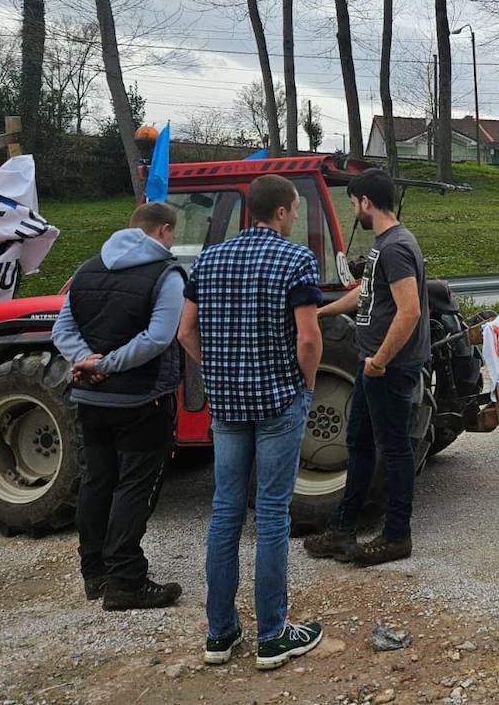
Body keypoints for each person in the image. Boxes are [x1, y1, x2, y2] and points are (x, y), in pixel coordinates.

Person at [177, 174, 324, 671]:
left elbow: (185, 330)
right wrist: (304, 386)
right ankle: (271, 634)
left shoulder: (209, 258)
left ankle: (219, 635)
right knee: (272, 515)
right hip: (279, 401)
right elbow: (308, 339)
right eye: (296, 209)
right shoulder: (295, 259)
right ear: (281, 211)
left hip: (227, 406)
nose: (297, 217)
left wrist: (215, 372)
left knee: (224, 513)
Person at [51, 202, 185, 611]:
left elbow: (62, 329)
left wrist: (87, 364)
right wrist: (106, 364)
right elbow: (159, 338)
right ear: (163, 230)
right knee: (134, 486)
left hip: (91, 398)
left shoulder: (88, 269)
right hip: (142, 399)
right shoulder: (167, 275)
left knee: (97, 482)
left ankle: (95, 574)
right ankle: (126, 580)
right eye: (173, 233)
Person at [304, 167, 428, 566]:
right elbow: (367, 293)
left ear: (366, 202)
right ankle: (343, 529)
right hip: (370, 362)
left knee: (394, 450)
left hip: (387, 367)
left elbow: (409, 311)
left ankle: (397, 536)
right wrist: (323, 311)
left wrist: (380, 361)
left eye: (354, 203)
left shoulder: (395, 246)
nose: (353, 209)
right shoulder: (386, 244)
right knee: (358, 443)